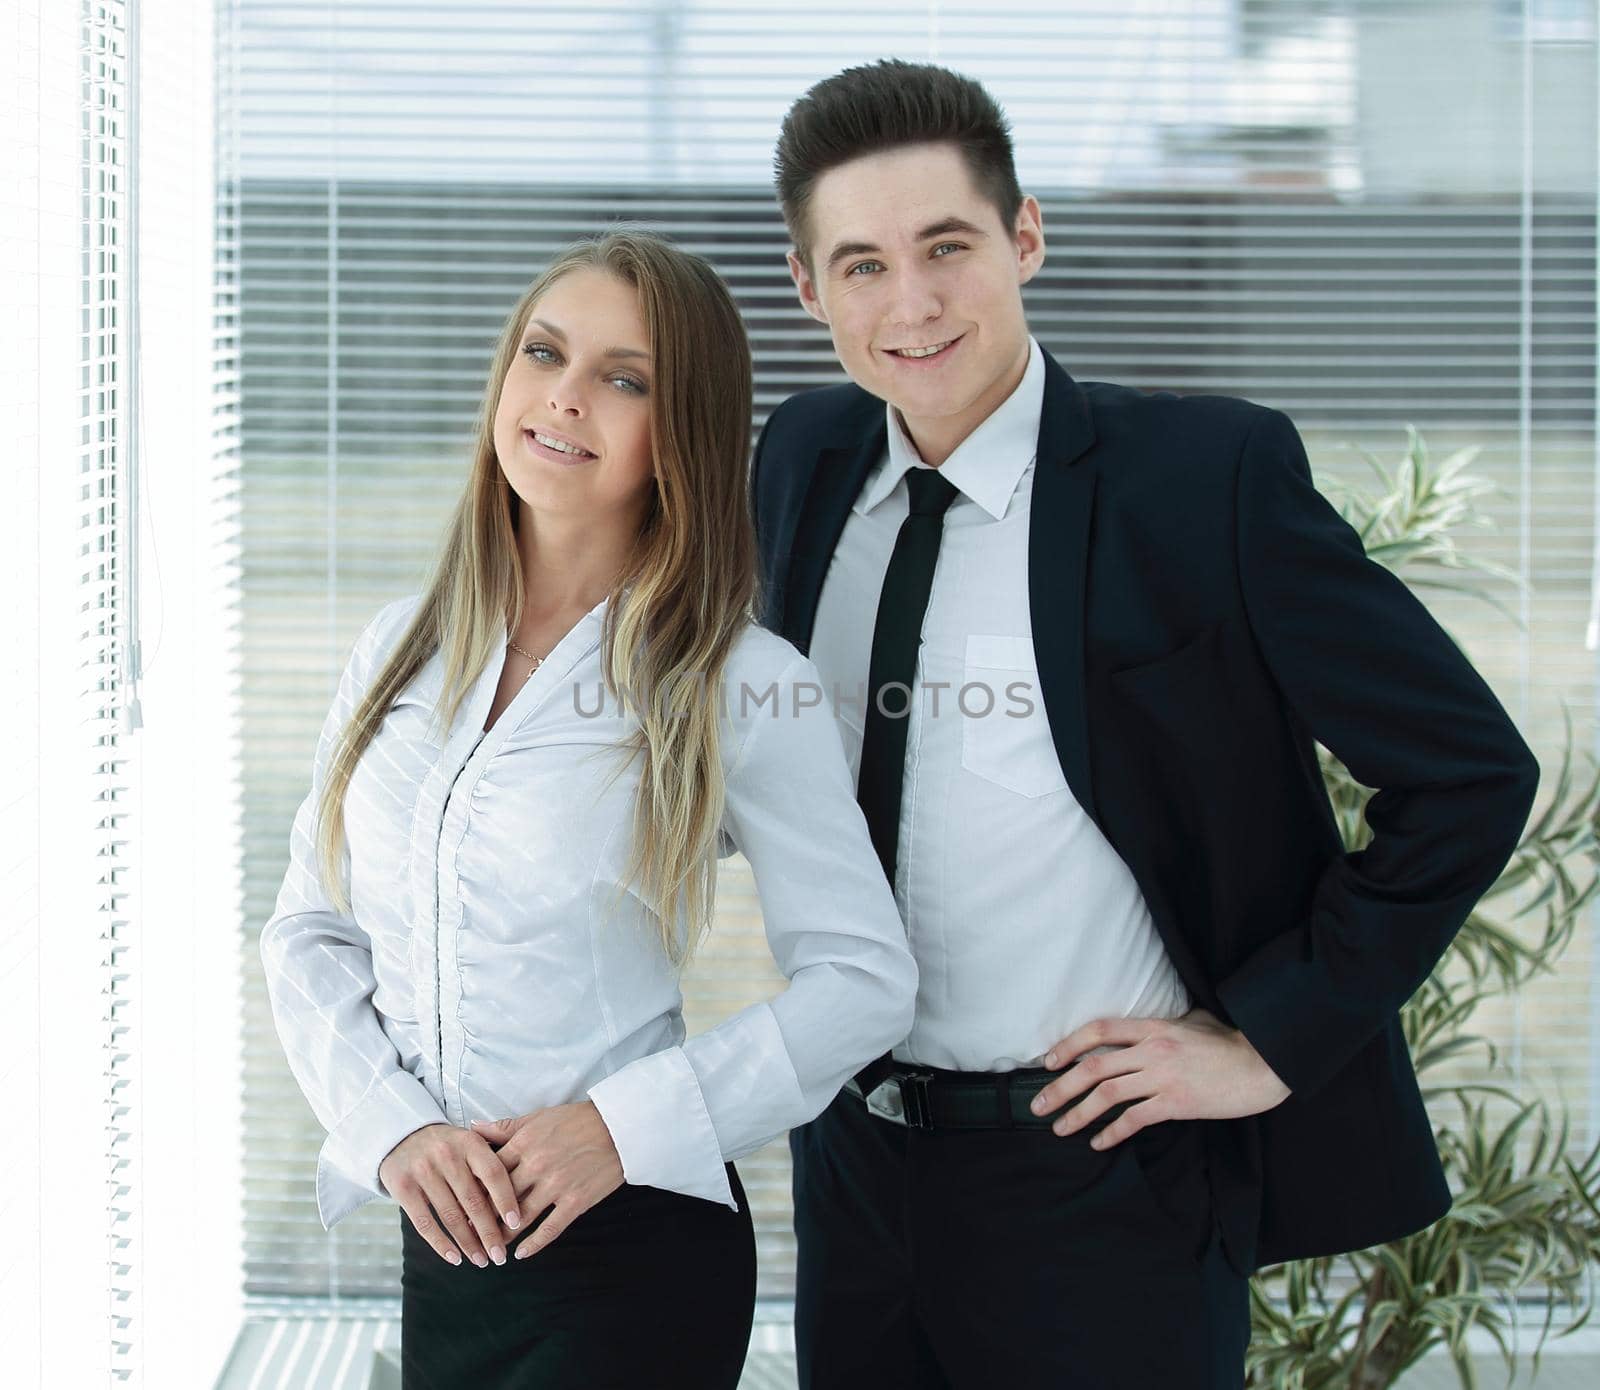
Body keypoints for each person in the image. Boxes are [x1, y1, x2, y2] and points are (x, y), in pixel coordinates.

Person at [751, 60, 1541, 1389]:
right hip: (856, 1173)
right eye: (864, 265)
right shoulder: (807, 457)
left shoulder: (1202, 481)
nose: (914, 303)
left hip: (1102, 1186)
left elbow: (1467, 770)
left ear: (1028, 237)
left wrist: (1266, 1037)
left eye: (948, 246)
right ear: (806, 287)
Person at [258, 229, 918, 1390]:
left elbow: (865, 979)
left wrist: (620, 1126)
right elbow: (309, 931)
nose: (564, 398)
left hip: (631, 1258)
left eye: (624, 378)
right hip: (444, 1242)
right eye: (543, 352)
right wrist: (395, 1129)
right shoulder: (394, 649)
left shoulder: (735, 678)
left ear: (684, 431)